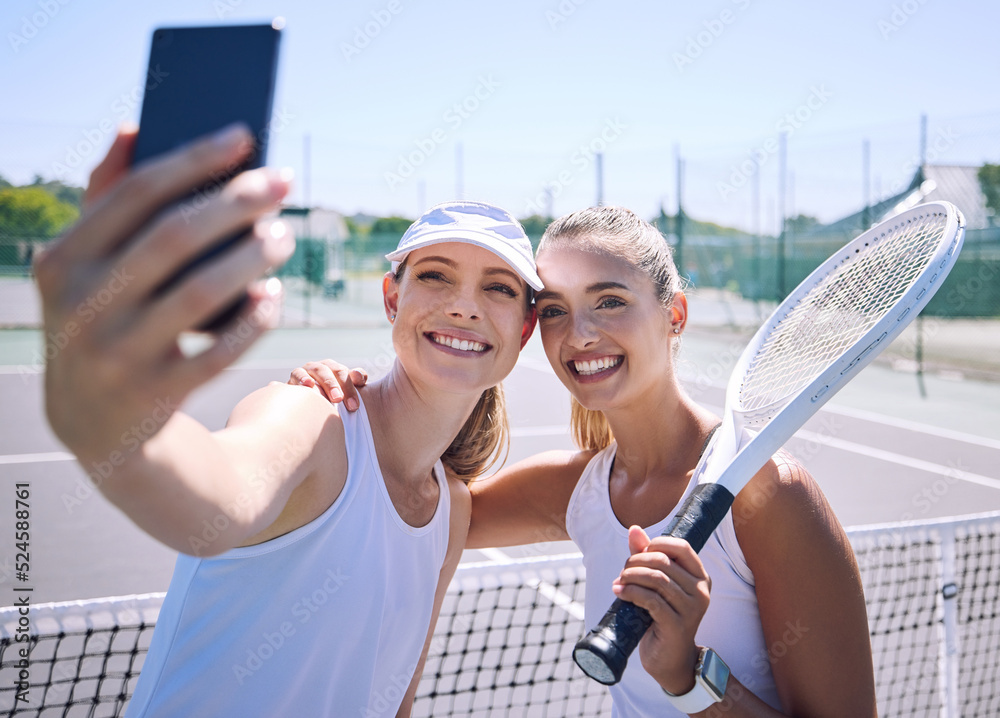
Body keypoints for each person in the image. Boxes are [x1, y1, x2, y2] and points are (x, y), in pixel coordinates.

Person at [35, 123, 542, 717]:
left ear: (526, 329)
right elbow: (215, 501)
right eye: (435, 274)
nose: (464, 304)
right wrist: (109, 413)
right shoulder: (308, 418)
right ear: (391, 298)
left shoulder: (451, 511)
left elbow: (395, 698)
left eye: (500, 289)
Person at [290, 206, 877, 717]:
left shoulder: (772, 494)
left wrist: (689, 677)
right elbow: (415, 505)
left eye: (611, 301)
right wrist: (346, 414)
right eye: (554, 310)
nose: (581, 334)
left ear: (675, 315)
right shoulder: (576, 488)